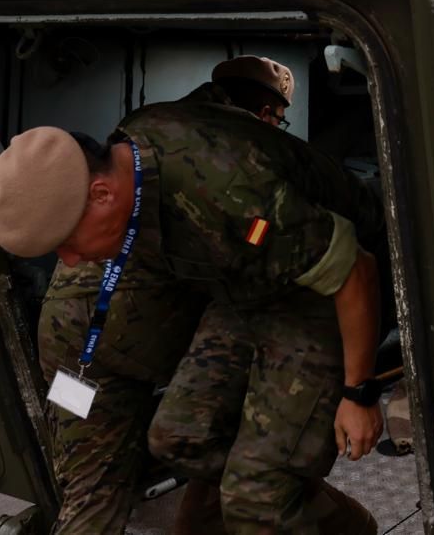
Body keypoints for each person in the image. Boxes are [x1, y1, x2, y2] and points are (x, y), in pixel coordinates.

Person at [0, 56, 384, 535]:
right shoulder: (132, 151)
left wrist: (358, 393)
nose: (69, 261)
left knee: (257, 497)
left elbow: (356, 270)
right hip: (243, 289)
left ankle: (322, 520)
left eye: (68, 243)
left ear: (101, 194)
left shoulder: (231, 190)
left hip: (318, 292)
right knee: (180, 437)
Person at [35, 57, 300, 534]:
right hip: (143, 328)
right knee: (228, 411)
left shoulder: (140, 131)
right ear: (265, 112)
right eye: (279, 119)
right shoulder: (233, 150)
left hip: (65, 339)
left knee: (90, 492)